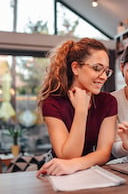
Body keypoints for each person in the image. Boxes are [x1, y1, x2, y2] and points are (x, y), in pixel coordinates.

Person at [36, 38, 117, 176]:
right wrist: (81, 111)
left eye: (106, 71)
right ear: (76, 68)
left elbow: (104, 153)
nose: (103, 77)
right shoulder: (52, 104)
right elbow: (67, 156)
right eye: (97, 68)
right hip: (60, 171)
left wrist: (76, 164)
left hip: (90, 168)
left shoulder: (108, 102)